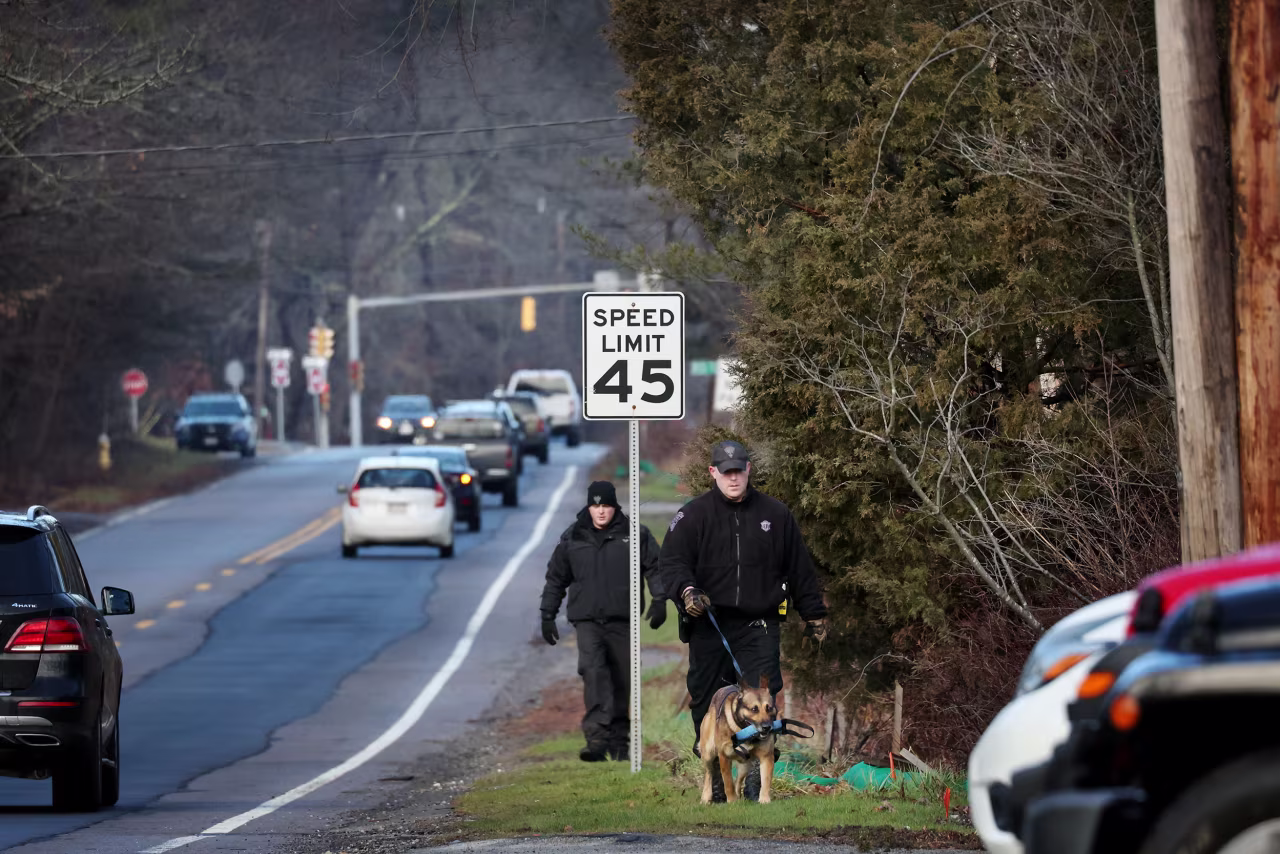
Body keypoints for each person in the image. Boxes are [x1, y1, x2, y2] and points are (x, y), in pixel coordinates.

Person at [659, 440, 828, 799]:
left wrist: (813, 612)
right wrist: (687, 592)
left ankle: (754, 776)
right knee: (706, 700)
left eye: (738, 471)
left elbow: (799, 568)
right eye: (726, 472)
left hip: (759, 624)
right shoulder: (693, 516)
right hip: (710, 623)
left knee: (761, 701)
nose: (733, 478)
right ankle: (716, 779)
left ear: (748, 469)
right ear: (713, 473)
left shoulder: (777, 515)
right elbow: (671, 564)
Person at [540, 480, 667, 762]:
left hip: (624, 620)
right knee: (594, 673)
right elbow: (556, 579)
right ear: (589, 506)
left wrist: (660, 600)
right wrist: (547, 614)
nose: (601, 511)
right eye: (596, 505)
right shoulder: (573, 537)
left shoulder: (635, 535)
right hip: (587, 621)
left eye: (606, 506)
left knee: (624, 679)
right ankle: (596, 739)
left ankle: (620, 743)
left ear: (614, 507)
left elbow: (655, 568)